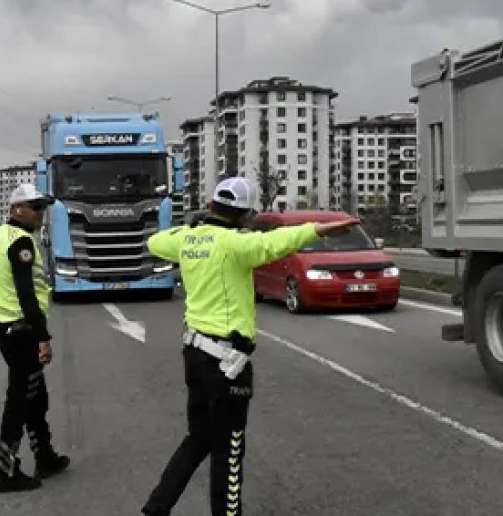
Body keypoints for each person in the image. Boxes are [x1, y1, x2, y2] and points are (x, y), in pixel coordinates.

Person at [140, 177, 360, 515]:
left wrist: (193, 226)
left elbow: (156, 241)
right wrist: (320, 229)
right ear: (244, 216)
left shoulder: (186, 240)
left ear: (211, 206)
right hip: (226, 363)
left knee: (198, 437)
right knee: (228, 452)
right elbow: (279, 241)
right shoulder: (236, 244)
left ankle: (156, 509)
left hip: (195, 354)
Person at [0, 182, 71, 493]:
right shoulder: (21, 243)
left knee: (36, 396)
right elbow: (26, 296)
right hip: (22, 331)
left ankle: (44, 455)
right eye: (35, 208)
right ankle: (5, 472)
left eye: (42, 208)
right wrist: (43, 337)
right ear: (16, 209)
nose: (40, 214)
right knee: (20, 401)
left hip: (6, 327)